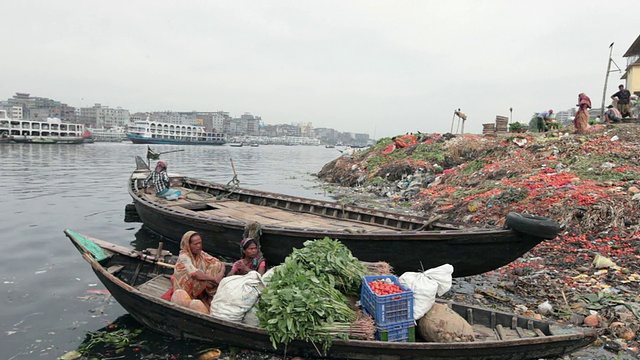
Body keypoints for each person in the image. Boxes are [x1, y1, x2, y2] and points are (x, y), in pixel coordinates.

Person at [172, 231, 225, 306]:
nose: (199, 246)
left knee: (215, 265)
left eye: (200, 243)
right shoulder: (184, 256)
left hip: (197, 283)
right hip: (185, 286)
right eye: (195, 244)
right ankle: (204, 295)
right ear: (188, 245)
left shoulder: (200, 254)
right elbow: (195, 274)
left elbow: (220, 263)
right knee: (202, 278)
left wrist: (220, 274)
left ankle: (207, 294)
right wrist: (214, 279)